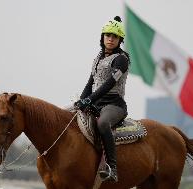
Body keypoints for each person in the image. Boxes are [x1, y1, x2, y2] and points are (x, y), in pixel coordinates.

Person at [74, 16, 130, 182]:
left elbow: (108, 84)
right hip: (95, 102)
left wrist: (89, 100)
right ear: (102, 37)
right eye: (107, 35)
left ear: (120, 40)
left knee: (103, 123)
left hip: (114, 105)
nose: (110, 39)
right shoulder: (98, 59)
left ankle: (112, 168)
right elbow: (90, 83)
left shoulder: (122, 59)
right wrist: (81, 101)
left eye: (114, 36)